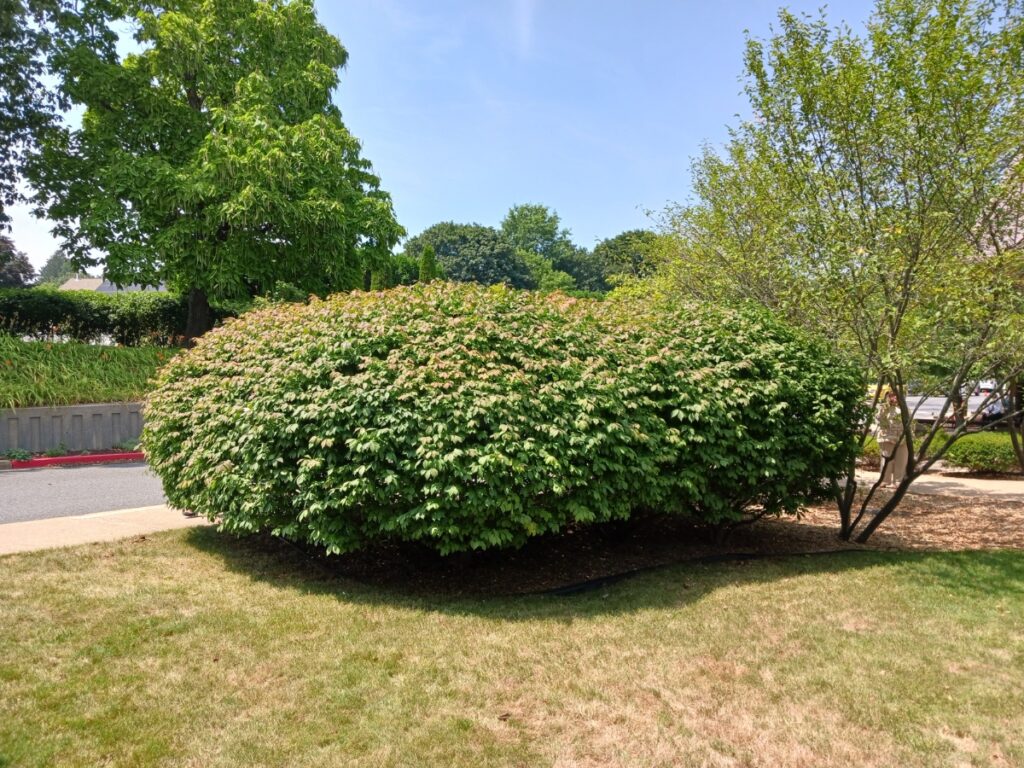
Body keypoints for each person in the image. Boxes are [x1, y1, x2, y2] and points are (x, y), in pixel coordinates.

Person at [873, 386, 907, 488]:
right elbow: (879, 419)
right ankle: (885, 480)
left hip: (902, 438)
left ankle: (898, 481)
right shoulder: (883, 407)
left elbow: (909, 422)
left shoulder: (904, 407)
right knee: (886, 460)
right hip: (887, 437)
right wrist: (885, 408)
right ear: (887, 396)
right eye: (892, 395)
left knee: (901, 460)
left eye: (897, 395)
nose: (894, 397)